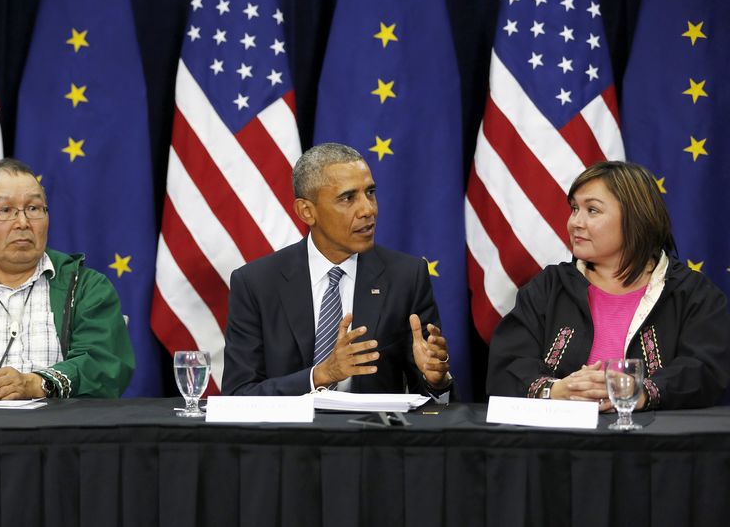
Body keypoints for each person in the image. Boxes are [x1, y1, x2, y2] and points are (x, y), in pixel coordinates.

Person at [487, 161, 730, 410]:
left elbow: (706, 370)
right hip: (557, 444)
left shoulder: (693, 293)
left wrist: (641, 392)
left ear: (636, 217)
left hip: (656, 445)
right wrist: (555, 390)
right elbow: (506, 366)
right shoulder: (548, 287)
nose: (575, 223)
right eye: (574, 209)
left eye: (592, 210)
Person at [221, 143, 453, 399]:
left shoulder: (406, 277)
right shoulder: (256, 283)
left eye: (371, 192)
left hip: (372, 436)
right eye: (348, 198)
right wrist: (321, 375)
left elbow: (432, 404)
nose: (368, 210)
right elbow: (238, 395)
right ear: (307, 211)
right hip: (287, 437)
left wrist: (436, 381)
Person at [0, 158, 134, 402]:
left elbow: (104, 361)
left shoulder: (87, 289)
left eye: (34, 208)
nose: (23, 223)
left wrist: (37, 383)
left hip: (61, 435)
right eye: (5, 211)